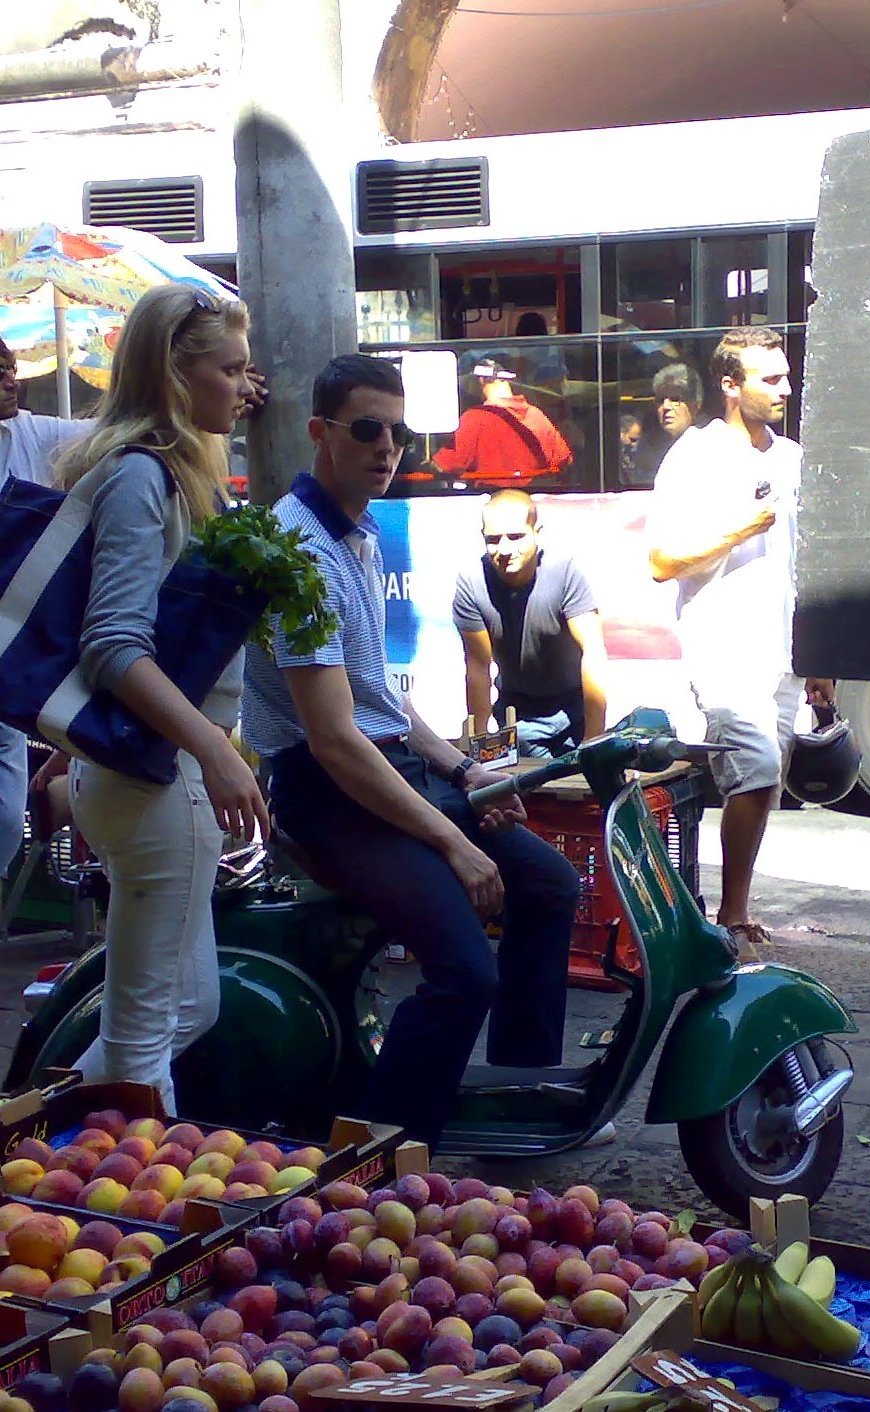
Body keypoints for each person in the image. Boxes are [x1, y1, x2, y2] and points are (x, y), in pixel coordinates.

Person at [243, 354, 580, 1145]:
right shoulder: (301, 555)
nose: (387, 446)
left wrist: (468, 773)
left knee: (551, 884)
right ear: (320, 434)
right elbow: (332, 740)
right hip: (328, 793)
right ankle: (379, 1151)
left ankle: (516, 1086)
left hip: (389, 768)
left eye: (397, 431)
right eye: (367, 430)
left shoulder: (355, 535)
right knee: (465, 974)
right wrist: (452, 839)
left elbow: (382, 700)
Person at [52, 284, 267, 1108]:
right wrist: (215, 749)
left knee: (186, 1010)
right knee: (149, 1038)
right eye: (229, 370)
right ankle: (134, 1226)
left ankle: (54, 1137)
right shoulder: (143, 477)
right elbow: (111, 645)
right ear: (177, 376)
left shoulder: (162, 472)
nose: (244, 388)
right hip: (157, 778)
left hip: (143, 776)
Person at [647, 327, 831, 952]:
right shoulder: (693, 457)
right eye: (770, 379)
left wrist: (819, 650)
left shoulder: (793, 458)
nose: (785, 388)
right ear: (730, 386)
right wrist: (741, 525)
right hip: (723, 647)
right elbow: (663, 560)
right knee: (753, 770)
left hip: (782, 649)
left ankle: (728, 904)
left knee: (766, 777)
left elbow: (805, 558)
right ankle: (728, 914)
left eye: (785, 376)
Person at [0, 338, 90, 880]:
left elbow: (129, 425)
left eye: (10, 369)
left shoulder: (33, 435)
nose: (12, 381)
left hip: (11, 661)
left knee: (8, 818)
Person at [453, 489, 608, 757]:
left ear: (538, 533)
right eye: (493, 539)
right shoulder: (471, 583)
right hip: (519, 716)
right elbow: (478, 666)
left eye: (516, 537)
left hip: (575, 707)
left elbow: (593, 652)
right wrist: (477, 745)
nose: (504, 550)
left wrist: (593, 740)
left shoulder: (565, 573)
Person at [431, 358, 572, 487]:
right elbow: (564, 459)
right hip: (529, 501)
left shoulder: (474, 418)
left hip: (492, 501)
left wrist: (425, 465)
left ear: (480, 380)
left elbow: (449, 464)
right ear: (508, 381)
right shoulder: (536, 415)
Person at [632, 362, 704, 487]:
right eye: (660, 401)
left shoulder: (711, 444)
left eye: (675, 399)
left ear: (695, 405)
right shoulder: (648, 447)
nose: (665, 407)